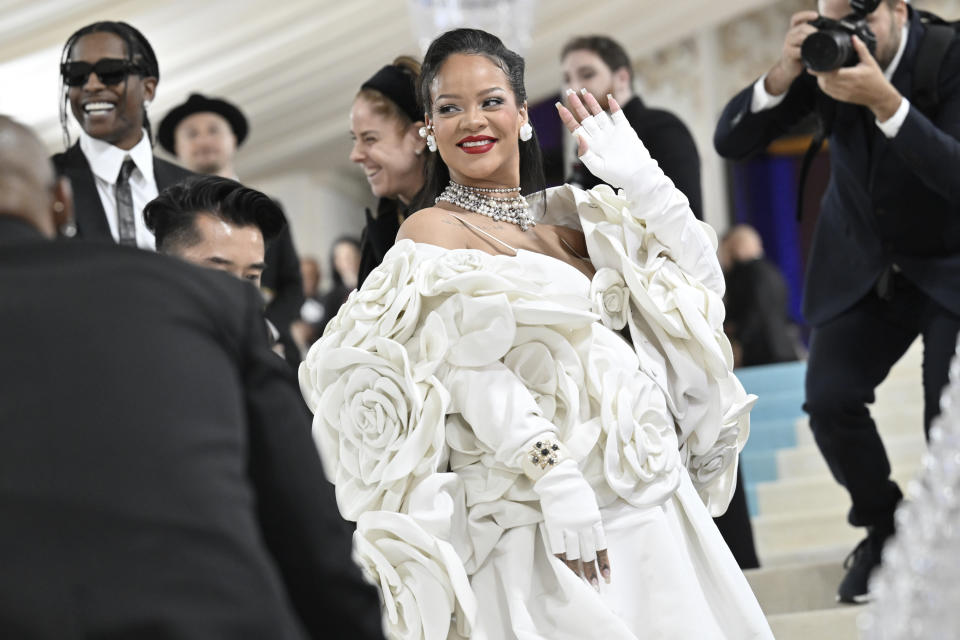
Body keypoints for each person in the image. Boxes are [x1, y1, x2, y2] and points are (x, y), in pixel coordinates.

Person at [301, 28, 772, 639]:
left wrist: (645, 181)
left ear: (523, 114)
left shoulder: (573, 216)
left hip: (656, 503)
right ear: (428, 128)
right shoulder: (431, 230)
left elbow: (698, 288)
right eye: (449, 107)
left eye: (491, 101)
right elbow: (459, 362)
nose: (473, 120)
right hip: (557, 524)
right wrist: (553, 473)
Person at [0, 115, 384, 640]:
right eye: (218, 269)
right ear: (60, 201)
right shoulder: (158, 317)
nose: (240, 291)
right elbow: (309, 533)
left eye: (252, 276)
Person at [714, 0, 960, 603]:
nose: (851, 33)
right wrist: (781, 74)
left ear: (898, 8)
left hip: (949, 266)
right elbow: (732, 140)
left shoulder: (950, 56)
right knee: (828, 400)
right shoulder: (829, 61)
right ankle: (883, 526)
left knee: (943, 417)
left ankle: (948, 548)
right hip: (864, 264)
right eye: (835, 17)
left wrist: (886, 103)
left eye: (861, 17)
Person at [158, 93, 305, 366]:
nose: (203, 140)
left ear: (233, 139)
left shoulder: (268, 210)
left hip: (274, 349)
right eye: (191, 134)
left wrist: (265, 331)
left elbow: (293, 284)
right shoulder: (166, 217)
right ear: (176, 148)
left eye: (213, 131)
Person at [52, 21, 192, 249]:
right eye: (76, 74)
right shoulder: (42, 185)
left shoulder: (198, 191)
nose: (92, 85)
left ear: (148, 88)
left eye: (111, 72)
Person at [561, 35, 703, 220]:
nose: (574, 87)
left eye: (587, 74)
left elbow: (689, 218)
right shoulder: (587, 140)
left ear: (621, 78)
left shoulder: (663, 127)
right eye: (567, 79)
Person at [349, 57, 427, 285]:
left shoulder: (466, 216)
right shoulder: (376, 235)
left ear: (418, 138)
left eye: (369, 139)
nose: (355, 155)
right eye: (355, 139)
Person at [721, 224, 802, 368]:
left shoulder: (744, 274)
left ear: (736, 247)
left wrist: (735, 334)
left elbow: (754, 314)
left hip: (761, 357)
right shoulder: (773, 271)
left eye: (725, 251)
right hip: (785, 352)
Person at [317, 235, 361, 335]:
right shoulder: (330, 299)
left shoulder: (374, 285)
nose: (349, 262)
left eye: (352, 255)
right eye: (343, 258)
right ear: (335, 263)